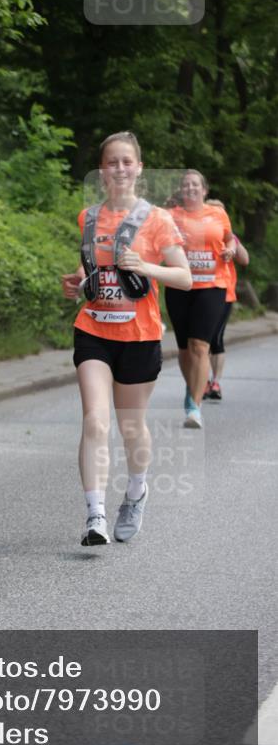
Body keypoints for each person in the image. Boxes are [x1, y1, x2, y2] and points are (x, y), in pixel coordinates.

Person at [61, 132, 191, 547]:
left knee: (131, 426)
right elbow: (93, 271)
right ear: (102, 171)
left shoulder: (157, 220)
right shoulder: (89, 217)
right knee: (96, 420)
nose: (119, 169)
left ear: (138, 168)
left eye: (126, 162)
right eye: (111, 163)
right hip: (94, 330)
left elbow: (185, 278)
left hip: (139, 336)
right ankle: (94, 516)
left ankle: (136, 491)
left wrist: (148, 267)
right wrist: (77, 283)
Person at [165, 172, 236, 427]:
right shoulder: (171, 215)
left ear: (204, 190)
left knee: (200, 345)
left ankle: (194, 407)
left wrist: (231, 250)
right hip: (180, 286)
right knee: (184, 349)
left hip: (212, 286)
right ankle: (192, 386)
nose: (190, 187)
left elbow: (229, 238)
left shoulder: (218, 214)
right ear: (181, 191)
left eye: (195, 184)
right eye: (186, 184)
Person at [201, 200, 250, 401]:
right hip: (197, 293)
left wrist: (234, 244)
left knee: (215, 339)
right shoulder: (200, 235)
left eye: (219, 211)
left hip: (223, 293)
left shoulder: (229, 238)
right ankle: (201, 383)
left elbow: (245, 260)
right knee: (199, 340)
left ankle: (215, 382)